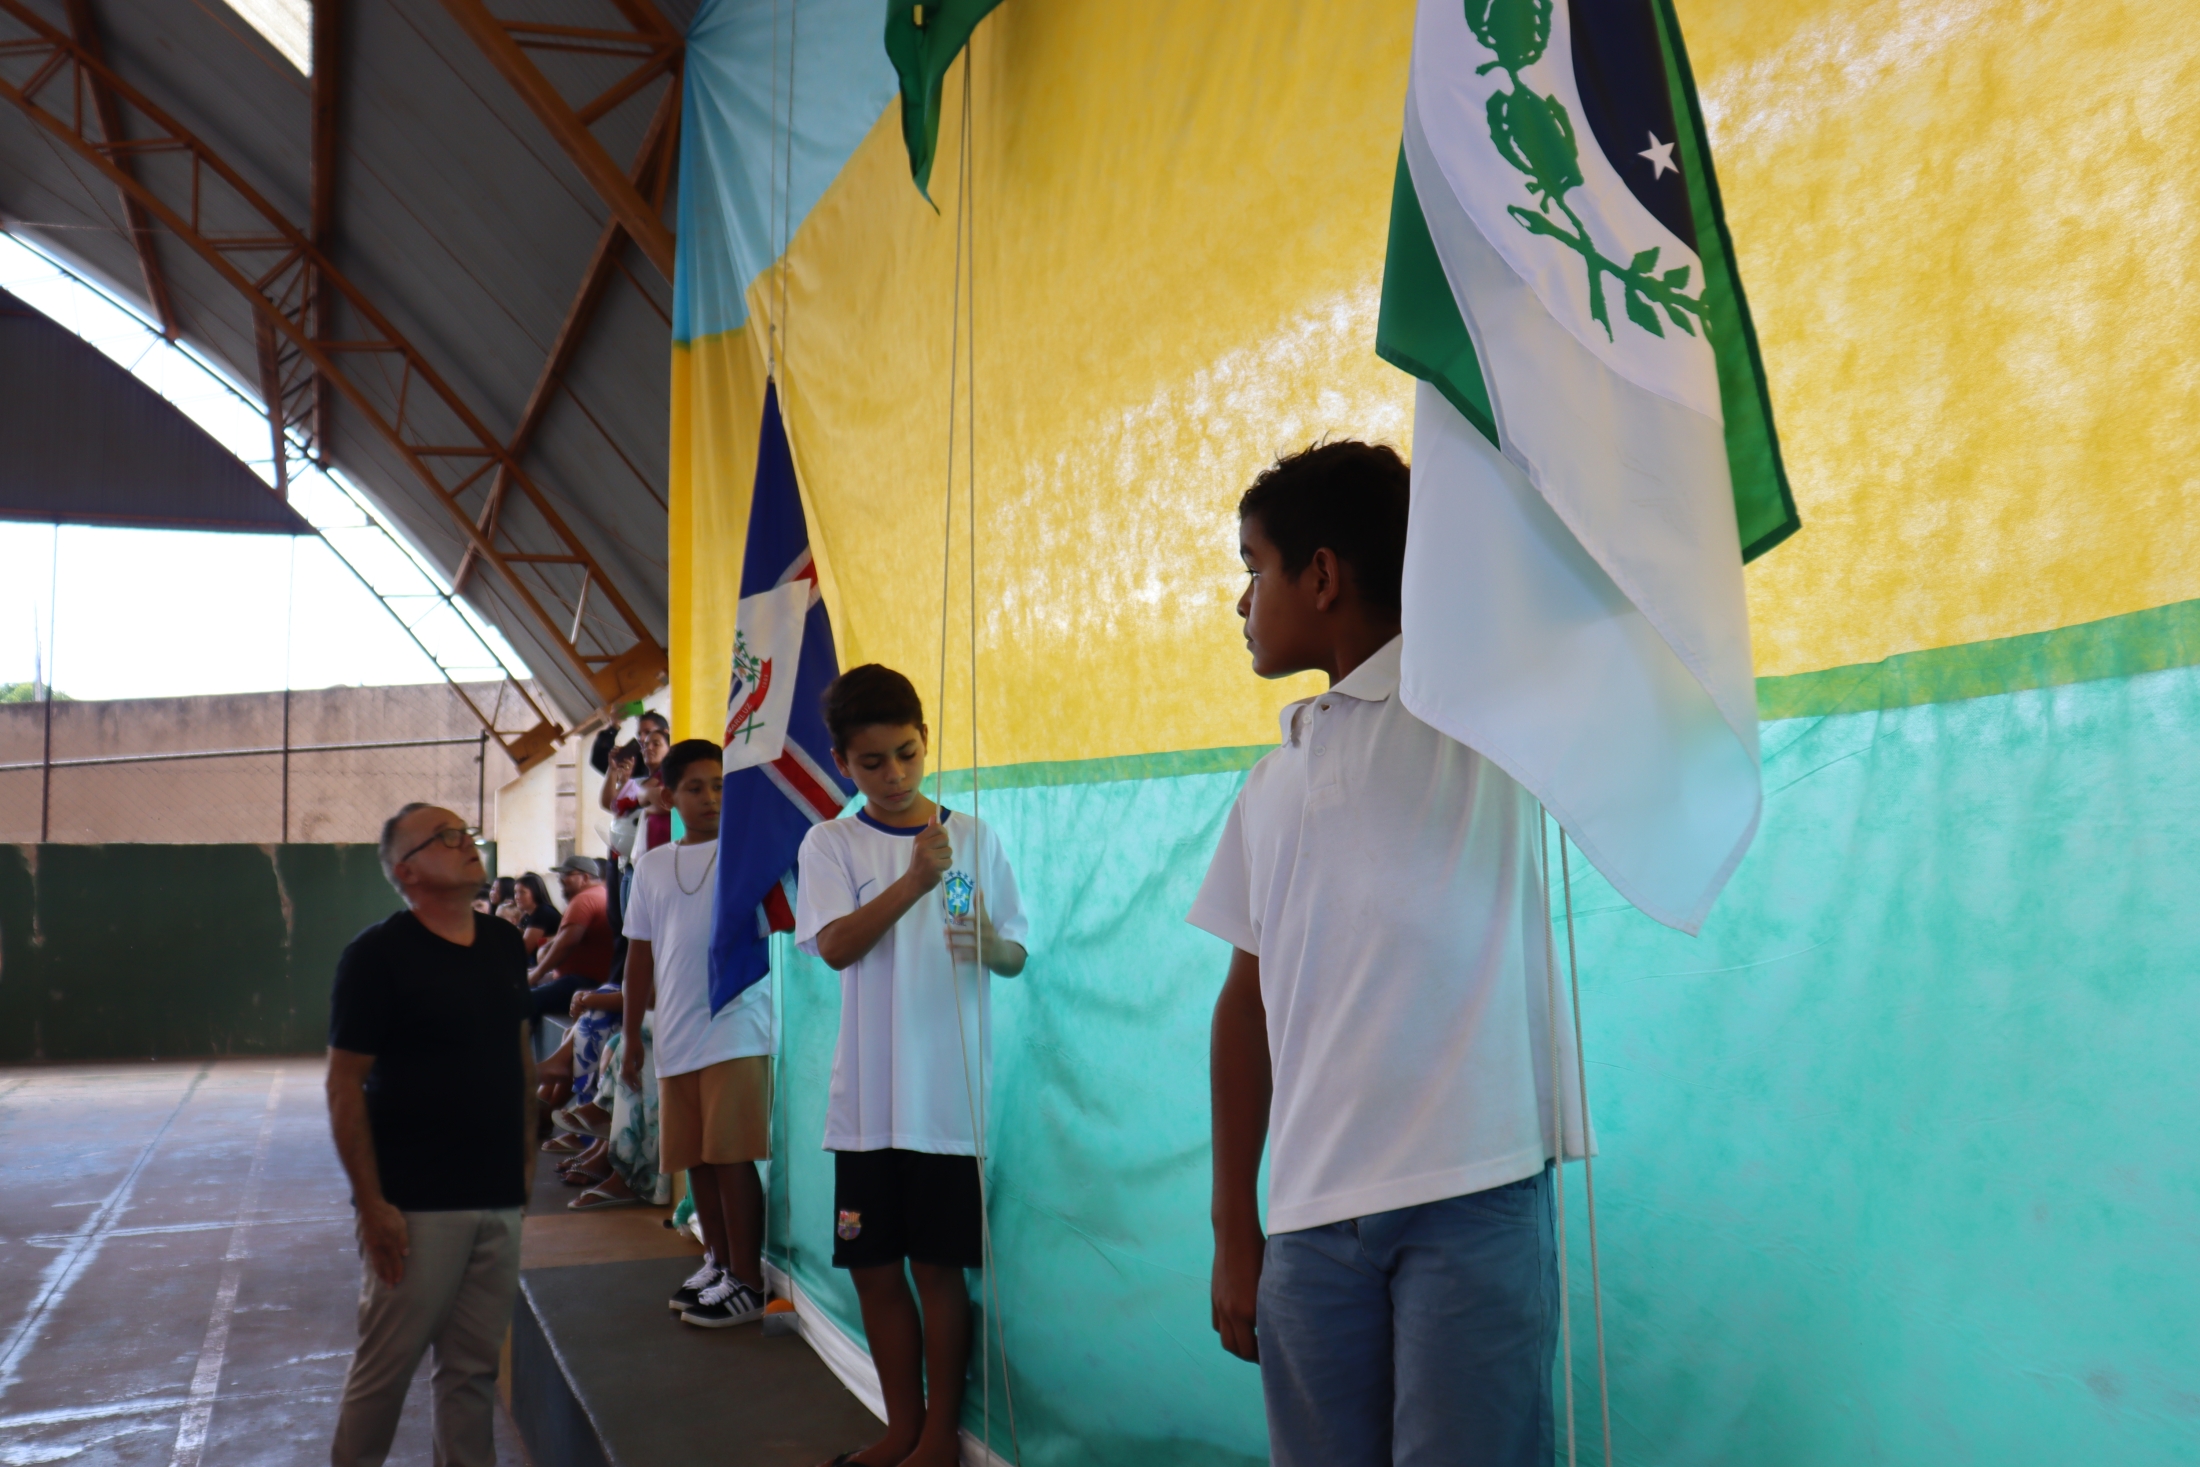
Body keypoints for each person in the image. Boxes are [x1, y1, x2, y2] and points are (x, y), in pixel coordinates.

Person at [1193, 442, 1576, 1467]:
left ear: (1321, 574)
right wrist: (1236, 1228)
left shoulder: (1475, 712)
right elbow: (1243, 1008)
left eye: (1253, 568)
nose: (1241, 602)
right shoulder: (1269, 785)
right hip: (1310, 1221)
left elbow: (1534, 557)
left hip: (1472, 1194)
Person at [795, 666, 1030, 1467]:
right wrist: (913, 880)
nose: (894, 774)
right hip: (866, 1103)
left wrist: (990, 942)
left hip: (944, 1104)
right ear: (841, 762)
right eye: (872, 762)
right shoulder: (832, 842)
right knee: (871, 1265)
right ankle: (901, 1426)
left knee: (938, 1268)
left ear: (925, 740)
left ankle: (937, 1438)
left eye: (906, 753)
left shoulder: (972, 838)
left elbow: (1011, 952)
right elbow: (835, 946)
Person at [325, 804, 535, 1467]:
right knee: (385, 1373)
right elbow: (344, 1084)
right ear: (407, 870)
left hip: (497, 1195)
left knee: (473, 1373)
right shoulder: (376, 957)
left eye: (465, 831)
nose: (466, 841)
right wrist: (373, 1204)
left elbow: (520, 1056)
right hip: (415, 1206)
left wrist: (525, 1160)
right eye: (446, 837)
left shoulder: (503, 942)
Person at [618, 737, 776, 1319]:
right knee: (697, 1159)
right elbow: (639, 955)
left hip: (736, 1024)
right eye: (696, 788)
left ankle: (747, 1280)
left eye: (721, 786)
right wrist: (630, 1035)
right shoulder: (652, 865)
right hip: (676, 1030)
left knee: (731, 1156)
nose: (711, 798)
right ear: (668, 796)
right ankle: (719, 1260)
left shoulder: (748, 856)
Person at [527, 855, 612, 1020]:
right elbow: (561, 940)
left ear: (585, 877)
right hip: (591, 981)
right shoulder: (601, 894)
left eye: (566, 875)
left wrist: (536, 974)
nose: (560, 880)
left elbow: (567, 943)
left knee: (518, 1000)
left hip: (582, 983)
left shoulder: (584, 899)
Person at [513, 872, 561, 959]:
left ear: (535, 892)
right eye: (515, 892)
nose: (517, 897)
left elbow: (524, 950)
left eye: (522, 892)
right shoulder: (527, 915)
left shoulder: (543, 912)